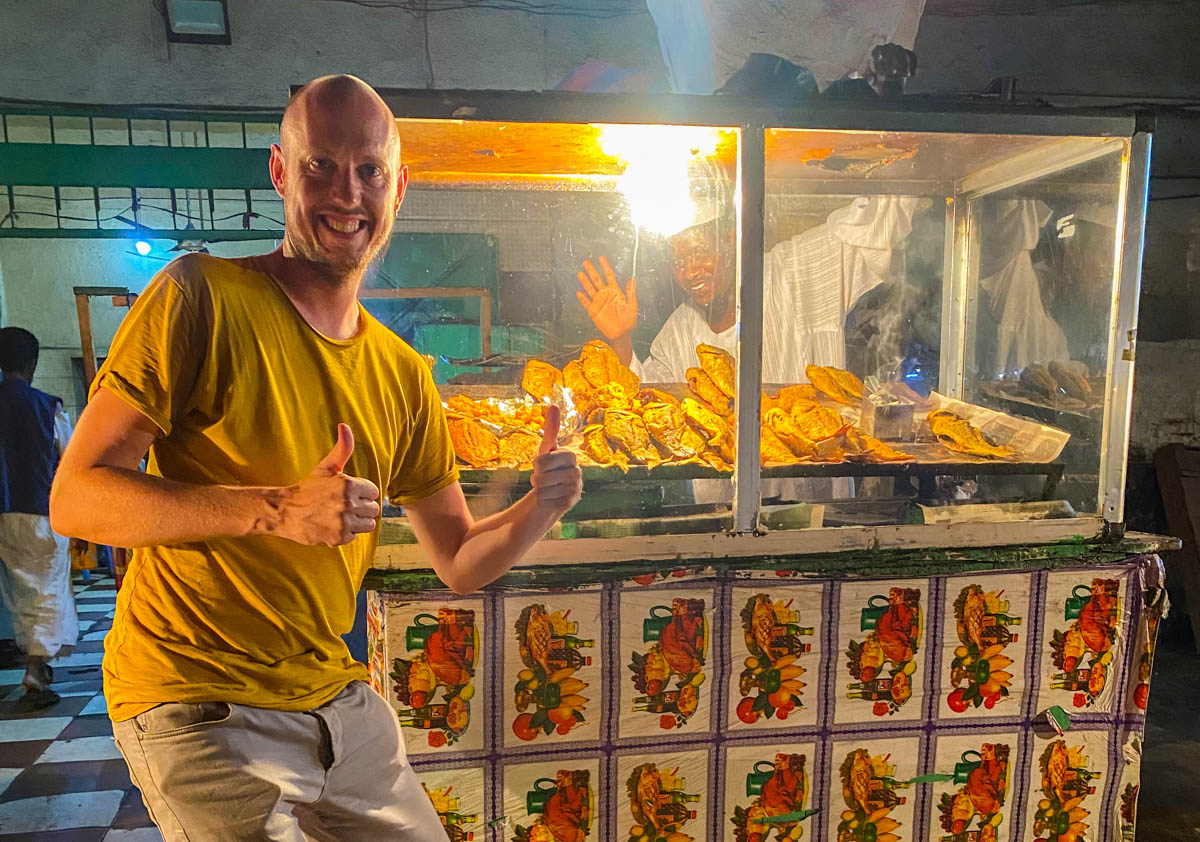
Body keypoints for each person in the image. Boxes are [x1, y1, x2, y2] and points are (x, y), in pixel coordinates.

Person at [49, 75, 581, 841]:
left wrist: (542, 506)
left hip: (333, 695)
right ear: (279, 173)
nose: (346, 193)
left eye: (368, 170)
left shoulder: (401, 372)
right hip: (198, 701)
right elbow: (75, 497)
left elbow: (460, 559)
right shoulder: (200, 297)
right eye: (320, 166)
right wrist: (273, 508)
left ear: (398, 189)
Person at [0, 326, 77, 710]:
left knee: (15, 592)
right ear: (32, 363)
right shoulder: (46, 407)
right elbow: (73, 459)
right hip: (37, 510)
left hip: (2, 508)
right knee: (44, 589)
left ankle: (34, 663)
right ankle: (35, 669)